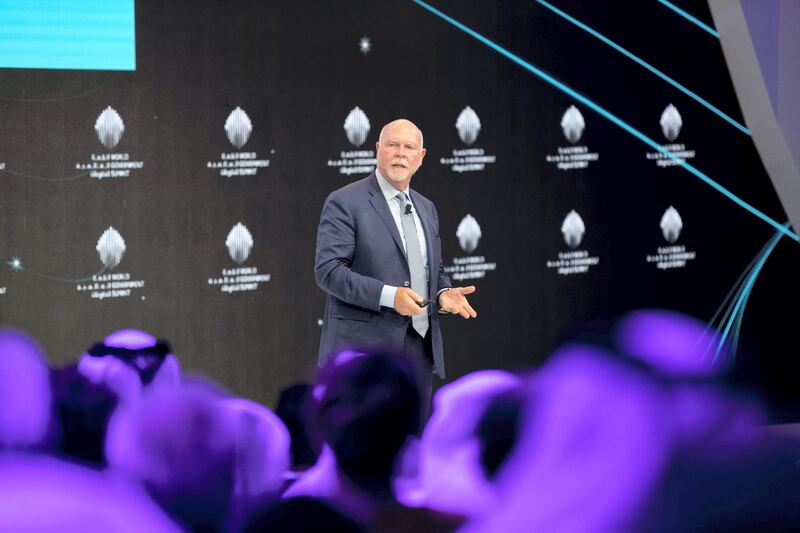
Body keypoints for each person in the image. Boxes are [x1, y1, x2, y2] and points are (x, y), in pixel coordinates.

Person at [314, 118, 477, 402]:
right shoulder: (345, 202)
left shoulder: (426, 208)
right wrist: (390, 296)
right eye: (393, 145)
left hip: (419, 353)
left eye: (409, 147)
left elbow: (433, 269)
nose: (401, 153)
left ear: (421, 157)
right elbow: (329, 272)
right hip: (363, 358)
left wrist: (441, 293)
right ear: (378, 150)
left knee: (411, 442)